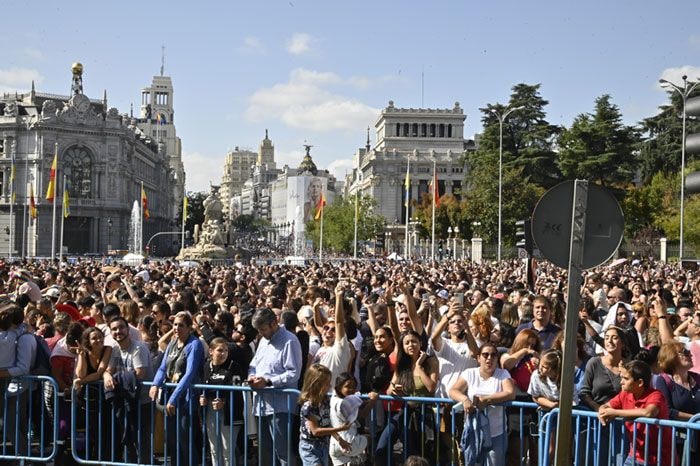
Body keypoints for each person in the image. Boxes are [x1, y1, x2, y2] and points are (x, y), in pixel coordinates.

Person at [247, 307, 303, 466]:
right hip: (261, 405)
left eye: (263, 329)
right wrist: (251, 377)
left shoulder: (290, 340)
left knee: (282, 452)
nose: (261, 333)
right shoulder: (263, 341)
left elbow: (294, 373)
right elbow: (253, 365)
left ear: (274, 323)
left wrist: (268, 381)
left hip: (281, 406)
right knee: (265, 453)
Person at [375, 330, 439, 465]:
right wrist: (393, 390)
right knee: (383, 445)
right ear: (403, 347)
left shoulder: (431, 361)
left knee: (423, 454)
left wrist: (418, 367)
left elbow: (431, 388)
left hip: (424, 414)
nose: (411, 345)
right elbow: (388, 390)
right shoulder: (402, 364)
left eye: (414, 341)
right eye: (407, 343)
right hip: (406, 412)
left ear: (420, 343)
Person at [149, 311, 204, 465]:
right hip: (169, 396)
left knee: (185, 439)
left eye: (181, 325)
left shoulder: (195, 344)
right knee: (172, 440)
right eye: (175, 324)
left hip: (186, 398)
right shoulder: (172, 342)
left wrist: (174, 399)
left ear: (189, 327)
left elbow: (190, 373)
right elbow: (162, 367)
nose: (177, 328)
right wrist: (155, 384)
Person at [449, 342, 516, 466]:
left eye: (493, 355)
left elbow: (510, 393)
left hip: (496, 433)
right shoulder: (470, 373)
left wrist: (486, 399)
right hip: (473, 431)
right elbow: (453, 390)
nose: (489, 358)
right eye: (485, 355)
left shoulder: (503, 374)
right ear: (479, 358)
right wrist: (465, 399)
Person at [598, 360, 672, 466]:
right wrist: (602, 411)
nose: (621, 382)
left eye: (626, 378)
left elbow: (648, 412)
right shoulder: (625, 394)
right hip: (635, 456)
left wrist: (614, 412)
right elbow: (606, 406)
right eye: (622, 377)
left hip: (659, 459)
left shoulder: (656, 395)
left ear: (640, 383)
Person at [104, 316, 155, 463]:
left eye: (121, 327)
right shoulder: (115, 349)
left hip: (142, 401)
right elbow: (109, 369)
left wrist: (116, 377)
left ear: (128, 329)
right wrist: (107, 375)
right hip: (126, 400)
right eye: (114, 329)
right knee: (128, 439)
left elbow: (140, 373)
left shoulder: (138, 347)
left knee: (142, 440)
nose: (118, 331)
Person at [0, 303, 38, 458]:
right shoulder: (16, 334)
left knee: (11, 426)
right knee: (15, 425)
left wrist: (1, 373)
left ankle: (25, 458)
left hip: (18, 386)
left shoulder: (24, 338)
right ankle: (23, 457)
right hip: (10, 385)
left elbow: (23, 368)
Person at [298, 364, 351, 466]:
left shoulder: (325, 401)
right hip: (309, 447)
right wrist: (340, 429)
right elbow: (316, 431)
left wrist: (340, 440)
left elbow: (326, 424)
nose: (329, 386)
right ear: (316, 384)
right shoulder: (308, 406)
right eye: (326, 384)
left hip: (323, 446)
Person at [199, 337, 240, 466]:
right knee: (214, 449)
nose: (223, 354)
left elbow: (238, 391)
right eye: (220, 350)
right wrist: (202, 398)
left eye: (226, 351)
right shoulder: (206, 366)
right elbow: (203, 387)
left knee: (227, 450)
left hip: (230, 412)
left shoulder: (234, 366)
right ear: (211, 351)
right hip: (211, 411)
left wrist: (224, 402)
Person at [73, 326, 112, 462]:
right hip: (87, 398)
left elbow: (99, 373)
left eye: (100, 337)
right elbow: (80, 373)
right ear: (88, 341)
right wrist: (82, 356)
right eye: (94, 338)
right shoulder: (84, 352)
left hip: (104, 397)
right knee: (91, 430)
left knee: (105, 430)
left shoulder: (108, 349)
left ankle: (104, 458)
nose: (98, 340)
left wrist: (81, 381)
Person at [330, 372, 376, 465]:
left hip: (334, 445)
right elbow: (363, 414)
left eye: (354, 386)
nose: (352, 389)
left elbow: (354, 401)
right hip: (348, 444)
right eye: (348, 386)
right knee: (369, 438)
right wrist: (372, 401)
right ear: (339, 387)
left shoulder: (333, 398)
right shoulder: (344, 403)